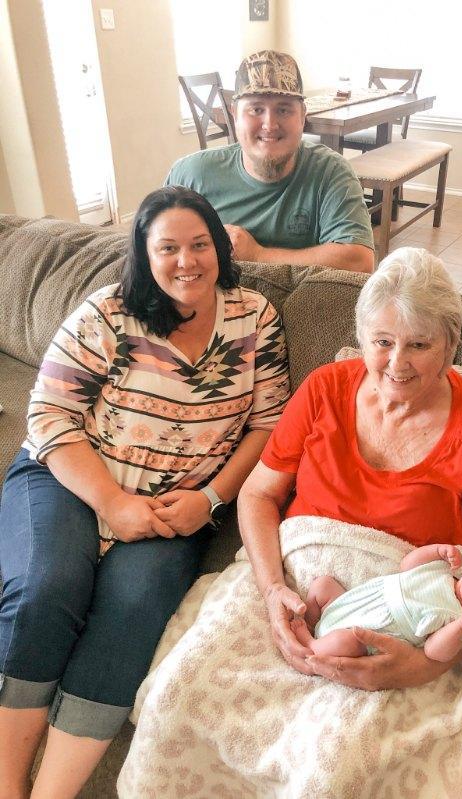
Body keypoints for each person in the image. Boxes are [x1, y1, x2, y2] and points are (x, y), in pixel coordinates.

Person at [0, 186, 289, 799]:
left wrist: (210, 499)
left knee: (133, 611)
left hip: (177, 508)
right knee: (47, 589)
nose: (186, 261)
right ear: (145, 255)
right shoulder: (109, 312)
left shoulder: (255, 317)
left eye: (198, 244)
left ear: (219, 249)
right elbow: (48, 416)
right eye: (167, 248)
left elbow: (269, 425)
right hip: (70, 481)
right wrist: (112, 502)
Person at [237, 246, 462, 691]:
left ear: (450, 345)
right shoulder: (324, 388)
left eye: (419, 344)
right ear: (362, 339)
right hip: (290, 591)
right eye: (383, 342)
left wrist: (419, 667)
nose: (397, 363)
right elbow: (257, 494)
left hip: (401, 631)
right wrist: (273, 590)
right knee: (183, 695)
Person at [167, 50, 374, 273]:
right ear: (235, 114)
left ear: (303, 115)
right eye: (256, 109)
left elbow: (359, 262)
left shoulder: (331, 172)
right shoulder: (190, 176)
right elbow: (157, 251)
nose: (270, 124)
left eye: (284, 109)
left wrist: (258, 255)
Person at [292, 545, 462, 662]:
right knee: (323, 585)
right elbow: (407, 566)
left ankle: (313, 646)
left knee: (347, 641)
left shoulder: (459, 624)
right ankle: (312, 618)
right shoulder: (447, 569)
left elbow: (434, 652)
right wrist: (437, 551)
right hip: (356, 601)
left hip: (369, 631)